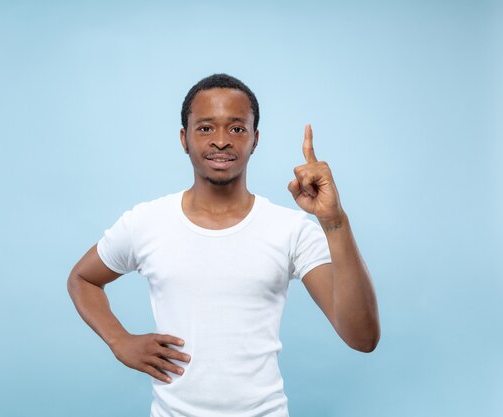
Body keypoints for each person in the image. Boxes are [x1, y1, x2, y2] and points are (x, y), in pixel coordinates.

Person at [67, 73, 380, 417]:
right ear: (184, 139)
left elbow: (362, 338)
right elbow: (82, 279)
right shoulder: (146, 221)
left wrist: (334, 221)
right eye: (205, 128)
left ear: (254, 139)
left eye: (236, 128)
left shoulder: (290, 229)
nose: (220, 141)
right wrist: (119, 340)